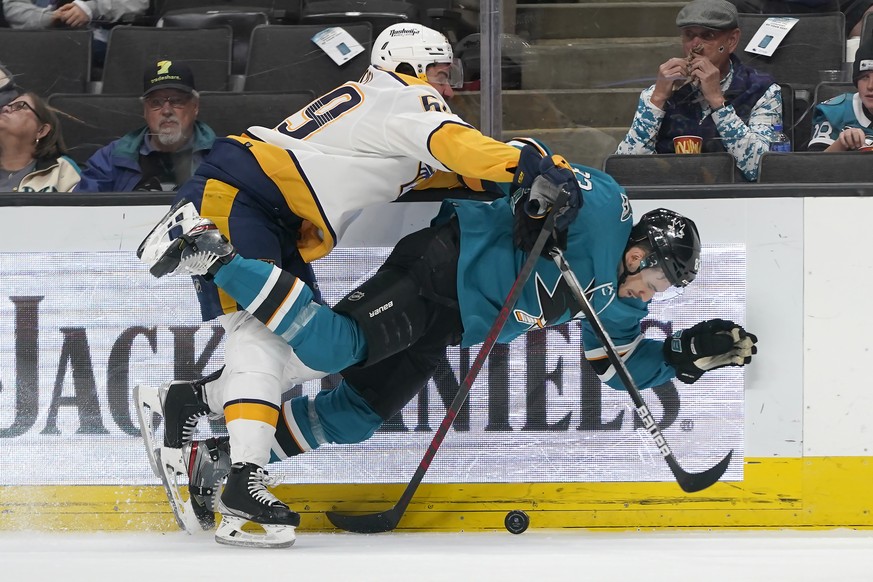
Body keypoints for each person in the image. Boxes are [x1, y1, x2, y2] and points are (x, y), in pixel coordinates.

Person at [139, 141, 758, 548]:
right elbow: (536, 160)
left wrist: (683, 357)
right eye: (658, 280)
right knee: (334, 347)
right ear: (641, 252)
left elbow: (619, 369)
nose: (653, 295)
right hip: (442, 266)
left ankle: (218, 455)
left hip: (453, 325)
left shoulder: (619, 304)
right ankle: (211, 255)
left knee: (353, 416)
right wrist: (546, 199)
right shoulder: (606, 209)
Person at [134, 24, 581, 547]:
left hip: (265, 206)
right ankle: (243, 478)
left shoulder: (387, 109)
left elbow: (458, 170)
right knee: (262, 335)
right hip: (241, 195)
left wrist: (533, 165)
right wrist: (529, 164)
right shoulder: (407, 99)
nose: (450, 88)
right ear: (413, 66)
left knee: (306, 346)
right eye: (443, 74)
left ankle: (192, 404)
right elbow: (460, 149)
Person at [615, 0, 783, 182]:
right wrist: (657, 100)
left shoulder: (762, 90)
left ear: (731, 40)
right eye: (689, 35)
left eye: (707, 35)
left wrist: (718, 102)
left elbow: (762, 169)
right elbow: (625, 170)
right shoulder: (660, 93)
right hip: (671, 195)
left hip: (736, 198)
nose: (695, 46)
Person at [74, 60, 216, 192]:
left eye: (177, 101)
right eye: (156, 103)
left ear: (195, 107)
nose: (166, 111)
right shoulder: (110, 159)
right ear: (145, 111)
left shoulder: (220, 156)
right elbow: (82, 211)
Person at [0, 91, 81, 192]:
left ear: (41, 130)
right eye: (5, 106)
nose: (5, 108)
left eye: (20, 106)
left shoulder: (62, 170)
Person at [807, 38, 873, 151]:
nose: (870, 86)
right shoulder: (835, 112)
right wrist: (841, 144)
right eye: (864, 77)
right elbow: (813, 165)